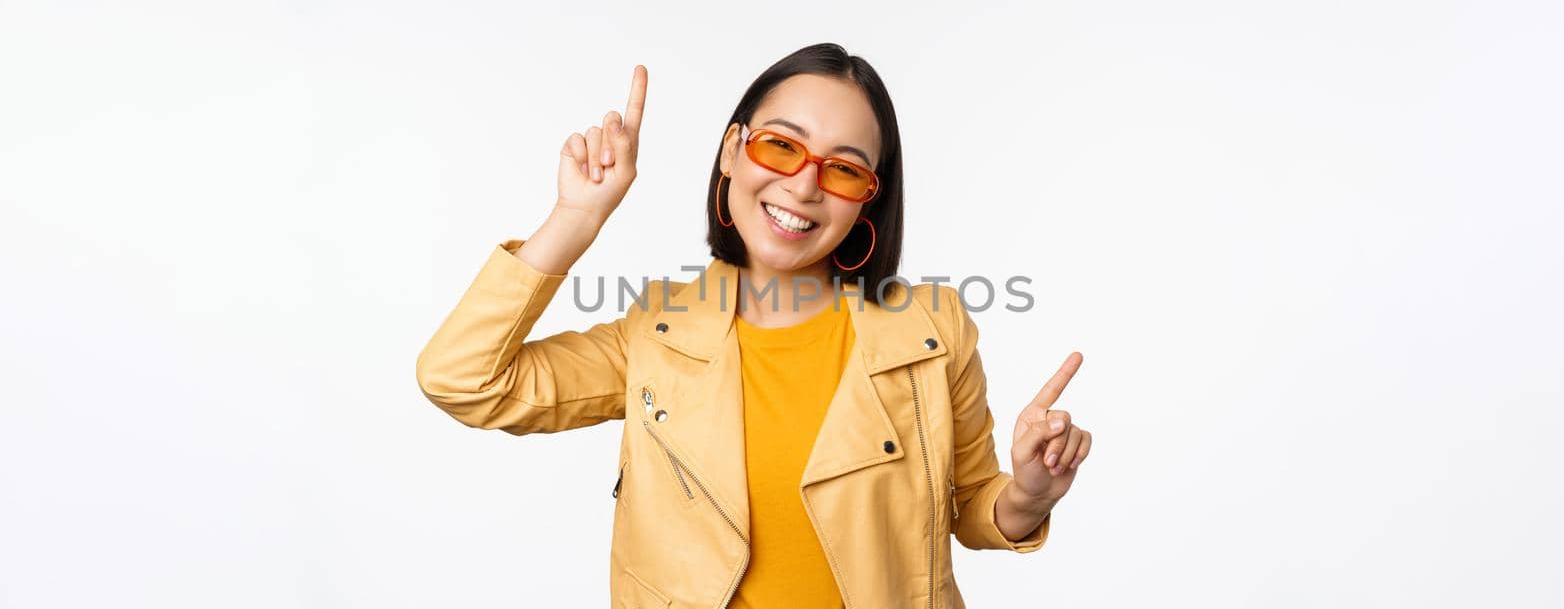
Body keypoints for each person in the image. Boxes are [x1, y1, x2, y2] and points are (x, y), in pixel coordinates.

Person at [415, 43, 1093, 609]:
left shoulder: (932, 329)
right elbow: (463, 379)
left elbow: (974, 508)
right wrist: (578, 217)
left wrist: (1028, 494)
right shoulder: (657, 330)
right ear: (731, 151)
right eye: (780, 146)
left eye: (845, 169)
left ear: (868, 200)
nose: (803, 187)